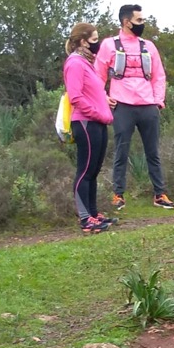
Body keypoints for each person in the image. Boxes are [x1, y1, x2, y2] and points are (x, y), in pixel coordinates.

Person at [95, 4, 174, 211]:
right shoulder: (108, 45)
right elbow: (98, 75)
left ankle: (160, 194)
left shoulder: (148, 46)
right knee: (121, 150)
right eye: (139, 20)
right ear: (126, 22)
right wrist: (104, 97)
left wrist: (158, 100)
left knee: (153, 151)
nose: (142, 24)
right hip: (122, 105)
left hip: (148, 105)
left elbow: (159, 75)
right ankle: (118, 194)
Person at [63, 23, 116, 234]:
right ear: (84, 41)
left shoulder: (87, 63)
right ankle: (85, 219)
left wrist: (105, 101)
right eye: (94, 39)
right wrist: (98, 113)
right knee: (84, 170)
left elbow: (93, 91)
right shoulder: (75, 63)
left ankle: (94, 214)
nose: (98, 43)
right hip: (85, 122)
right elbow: (75, 96)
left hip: (99, 122)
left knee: (93, 171)